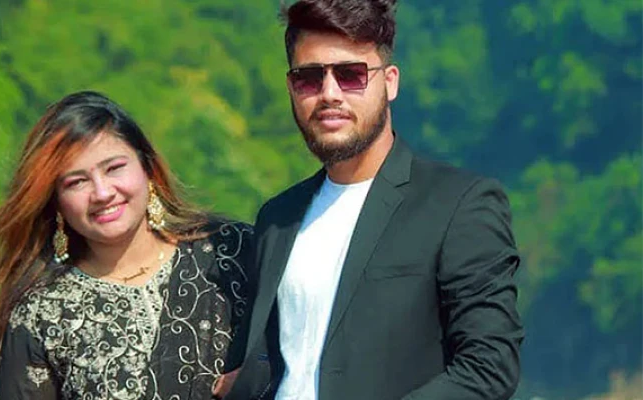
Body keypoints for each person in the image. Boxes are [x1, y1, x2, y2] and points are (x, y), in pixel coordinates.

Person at [220, 0, 524, 399]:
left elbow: (489, 367)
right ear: (291, 87)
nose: (329, 94)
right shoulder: (278, 218)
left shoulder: (459, 205)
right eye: (309, 78)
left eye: (350, 75)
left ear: (390, 82)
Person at [0, 91, 254, 400]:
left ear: (148, 169)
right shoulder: (42, 313)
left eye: (114, 168)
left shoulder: (231, 251)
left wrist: (258, 378)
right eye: (76, 182)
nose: (102, 193)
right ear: (57, 202)